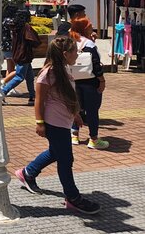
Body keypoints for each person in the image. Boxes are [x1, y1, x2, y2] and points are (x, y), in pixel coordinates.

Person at [14, 36, 101, 215]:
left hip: (64, 121)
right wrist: (40, 123)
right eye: (75, 51)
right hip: (53, 123)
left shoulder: (64, 68)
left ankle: (27, 173)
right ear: (64, 54)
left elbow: (66, 95)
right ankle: (73, 198)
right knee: (65, 160)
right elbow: (39, 101)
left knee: (56, 152)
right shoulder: (48, 73)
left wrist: (75, 114)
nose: (78, 53)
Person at [69, 18, 108, 149]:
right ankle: (94, 139)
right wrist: (101, 80)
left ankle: (74, 135)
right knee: (92, 110)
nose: (93, 28)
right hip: (90, 81)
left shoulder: (70, 40)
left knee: (76, 108)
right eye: (90, 26)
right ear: (84, 28)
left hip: (73, 80)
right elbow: (96, 64)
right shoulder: (89, 44)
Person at [1, 10, 40, 105]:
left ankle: (32, 97)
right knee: (19, 76)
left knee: (30, 77)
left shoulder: (15, 27)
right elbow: (33, 40)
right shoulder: (26, 27)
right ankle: (2, 92)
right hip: (24, 54)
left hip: (18, 53)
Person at [1, 5, 18, 91]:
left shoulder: (3, 20)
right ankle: (5, 83)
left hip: (5, 46)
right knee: (18, 68)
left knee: (10, 68)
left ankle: (9, 87)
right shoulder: (9, 21)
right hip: (10, 46)